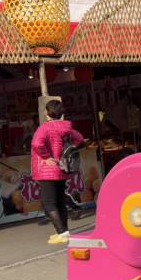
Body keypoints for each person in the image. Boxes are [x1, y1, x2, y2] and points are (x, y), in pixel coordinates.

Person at [31, 100, 84, 244]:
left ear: (47, 113)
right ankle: (64, 231)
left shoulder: (44, 128)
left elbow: (36, 144)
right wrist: (65, 151)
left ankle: (61, 233)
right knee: (60, 201)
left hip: (47, 170)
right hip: (61, 168)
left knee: (48, 203)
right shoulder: (66, 127)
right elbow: (79, 138)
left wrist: (46, 157)